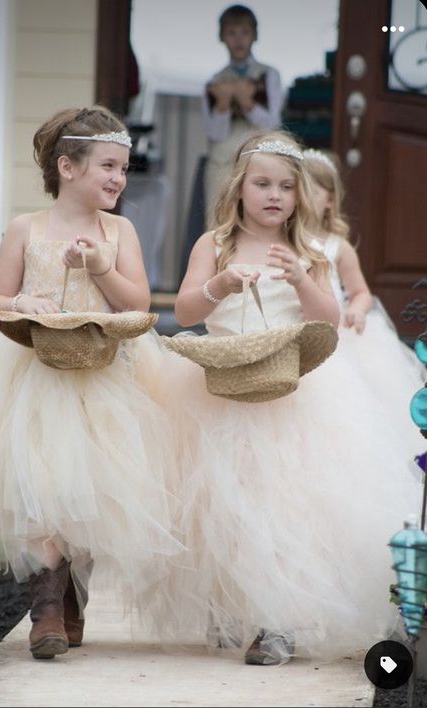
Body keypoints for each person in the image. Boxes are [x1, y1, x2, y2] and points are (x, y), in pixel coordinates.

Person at [144, 130, 423, 665]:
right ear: (240, 187)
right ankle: (227, 605)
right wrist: (219, 285)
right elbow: (184, 313)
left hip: (293, 393)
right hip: (222, 388)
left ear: (299, 196)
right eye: (263, 183)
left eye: (287, 187)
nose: (275, 195)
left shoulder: (308, 251)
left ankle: (279, 620)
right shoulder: (214, 245)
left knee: (285, 506)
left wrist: (301, 280)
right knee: (221, 502)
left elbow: (330, 321)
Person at [0, 105, 182, 660]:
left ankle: (73, 593)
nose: (118, 179)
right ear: (68, 166)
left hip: (103, 376)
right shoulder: (26, 228)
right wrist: (20, 302)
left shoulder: (119, 230)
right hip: (36, 376)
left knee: (93, 492)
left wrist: (103, 266)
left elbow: (137, 303)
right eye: (108, 166)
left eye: (124, 170)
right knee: (40, 485)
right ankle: (46, 606)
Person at [303, 147, 425, 446]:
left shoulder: (337, 247)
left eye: (313, 191)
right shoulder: (281, 239)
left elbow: (359, 292)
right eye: (298, 189)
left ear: (330, 201)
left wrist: (357, 309)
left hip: (336, 331)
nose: (304, 199)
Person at [202, 4, 283, 225]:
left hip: (258, 157)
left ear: (254, 35)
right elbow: (214, 133)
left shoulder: (268, 75)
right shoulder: (215, 81)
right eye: (231, 33)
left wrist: (246, 101)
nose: (238, 40)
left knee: (256, 220)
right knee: (219, 220)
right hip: (223, 163)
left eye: (244, 33)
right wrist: (223, 103)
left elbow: (272, 123)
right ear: (222, 37)